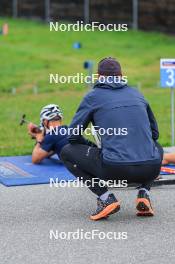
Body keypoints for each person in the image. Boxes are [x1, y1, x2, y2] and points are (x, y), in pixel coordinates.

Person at [60, 57, 163, 221]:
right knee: (156, 146)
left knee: (66, 151)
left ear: (99, 77)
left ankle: (106, 197)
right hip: (150, 169)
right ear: (121, 76)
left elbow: (72, 135)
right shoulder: (137, 93)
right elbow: (154, 134)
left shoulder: (93, 97)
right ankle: (144, 193)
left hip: (114, 169)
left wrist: (91, 147)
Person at [27, 104, 95, 164]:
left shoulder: (52, 135)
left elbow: (35, 159)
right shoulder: (67, 129)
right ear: (60, 119)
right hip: (95, 156)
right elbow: (47, 154)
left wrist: (39, 139)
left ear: (45, 121)